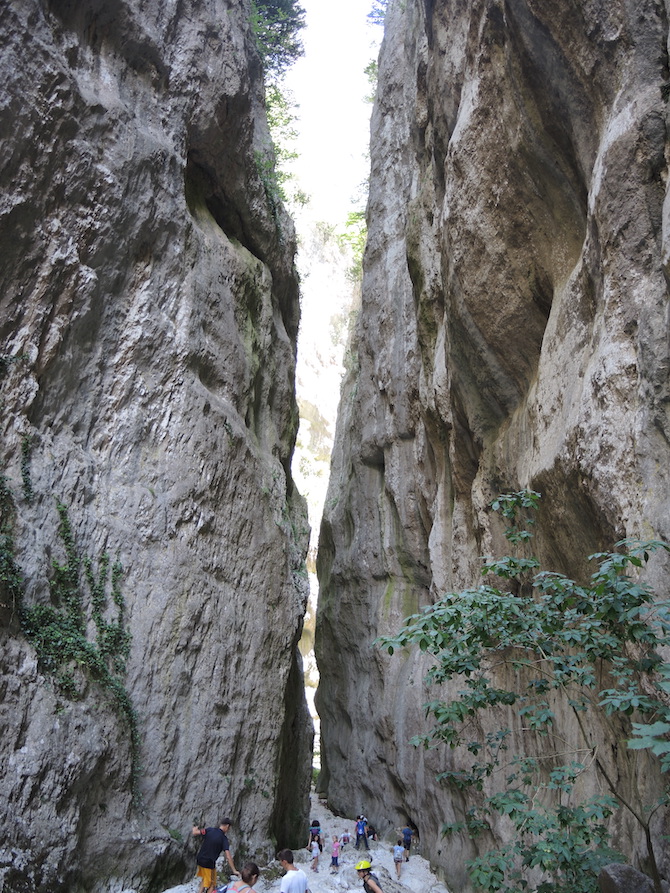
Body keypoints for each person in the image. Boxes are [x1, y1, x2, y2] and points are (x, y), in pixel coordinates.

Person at [192, 818, 238, 893]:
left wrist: (194, 828)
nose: (228, 830)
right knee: (210, 883)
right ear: (227, 826)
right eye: (229, 828)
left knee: (211, 882)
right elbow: (228, 856)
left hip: (201, 859)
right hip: (208, 862)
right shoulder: (224, 839)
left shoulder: (210, 830)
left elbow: (195, 832)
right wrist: (234, 870)